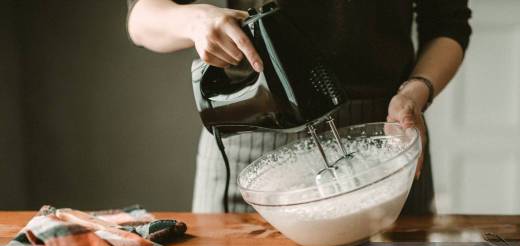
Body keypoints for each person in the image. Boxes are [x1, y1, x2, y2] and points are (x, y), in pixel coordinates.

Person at [126, 0, 471, 213]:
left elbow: (447, 23)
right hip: (252, 139)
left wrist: (414, 93)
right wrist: (193, 21)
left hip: (383, 134)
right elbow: (142, 18)